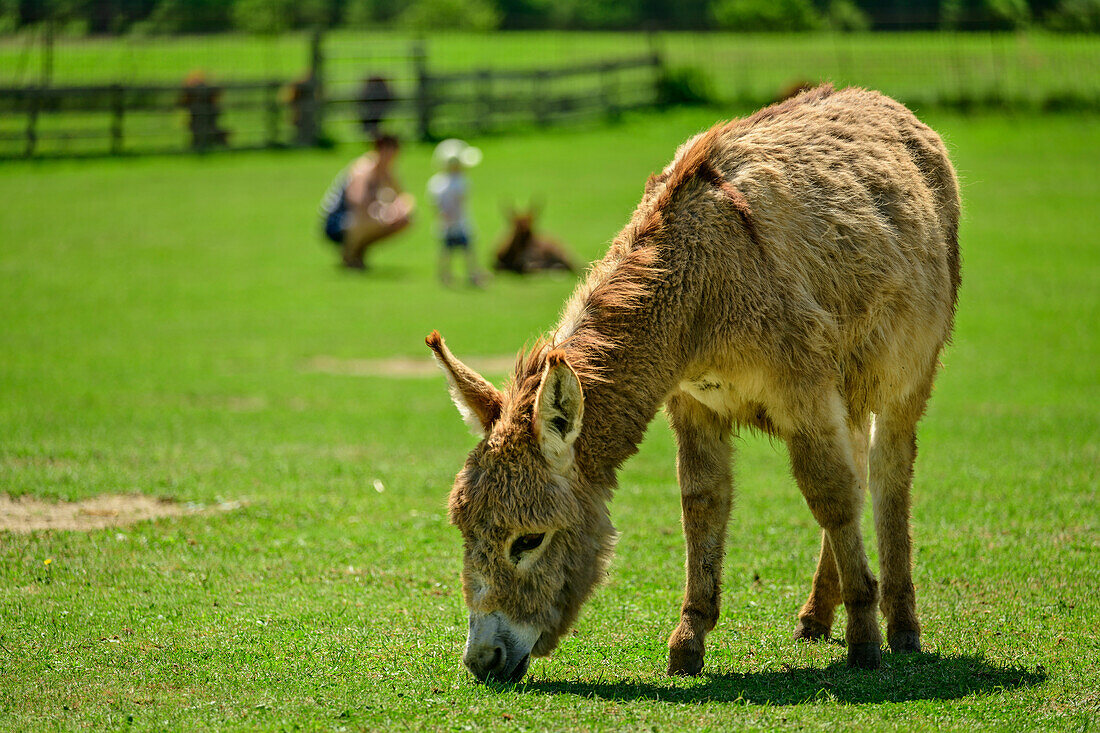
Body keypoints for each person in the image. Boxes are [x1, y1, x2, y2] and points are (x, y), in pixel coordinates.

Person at [320, 134, 414, 270]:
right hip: (338, 221)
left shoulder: (386, 172)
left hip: (360, 217)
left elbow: (404, 197)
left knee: (403, 219)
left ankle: (359, 253)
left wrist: (396, 209)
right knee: (369, 218)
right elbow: (357, 200)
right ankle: (349, 257)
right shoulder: (363, 169)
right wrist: (382, 208)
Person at [427, 139, 485, 286]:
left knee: (459, 251)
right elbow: (455, 202)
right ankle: (450, 275)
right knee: (452, 251)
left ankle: (466, 274)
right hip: (455, 224)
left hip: (454, 223)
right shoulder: (456, 182)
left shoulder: (443, 182)